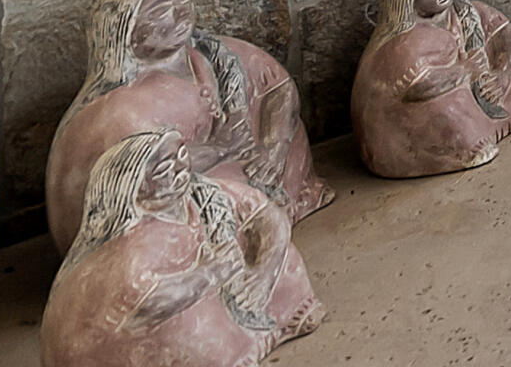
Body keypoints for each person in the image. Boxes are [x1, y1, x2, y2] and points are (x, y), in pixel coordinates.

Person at [48, 0, 327, 260]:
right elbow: (147, 170)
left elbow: (277, 86)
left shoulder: (212, 53)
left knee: (280, 148)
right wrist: (220, 148)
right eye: (160, 10)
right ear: (125, 33)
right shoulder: (122, 107)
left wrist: (274, 146)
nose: (180, 12)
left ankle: (285, 199)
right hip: (170, 194)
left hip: (257, 158)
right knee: (227, 198)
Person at [43, 129, 322, 367]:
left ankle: (268, 322)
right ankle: (237, 346)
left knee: (281, 255)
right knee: (189, 327)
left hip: (229, 283)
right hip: (139, 331)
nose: (180, 170)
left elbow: (266, 213)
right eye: (164, 169)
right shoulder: (132, 244)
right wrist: (209, 273)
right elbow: (145, 304)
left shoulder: (204, 193)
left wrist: (262, 273)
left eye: (182, 156)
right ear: (134, 187)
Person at [348, 0, 511, 178]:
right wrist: (465, 72)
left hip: (487, 83)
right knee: (446, 104)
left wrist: (502, 75)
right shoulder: (404, 43)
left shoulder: (466, 10)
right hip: (418, 115)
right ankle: (464, 148)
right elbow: (418, 88)